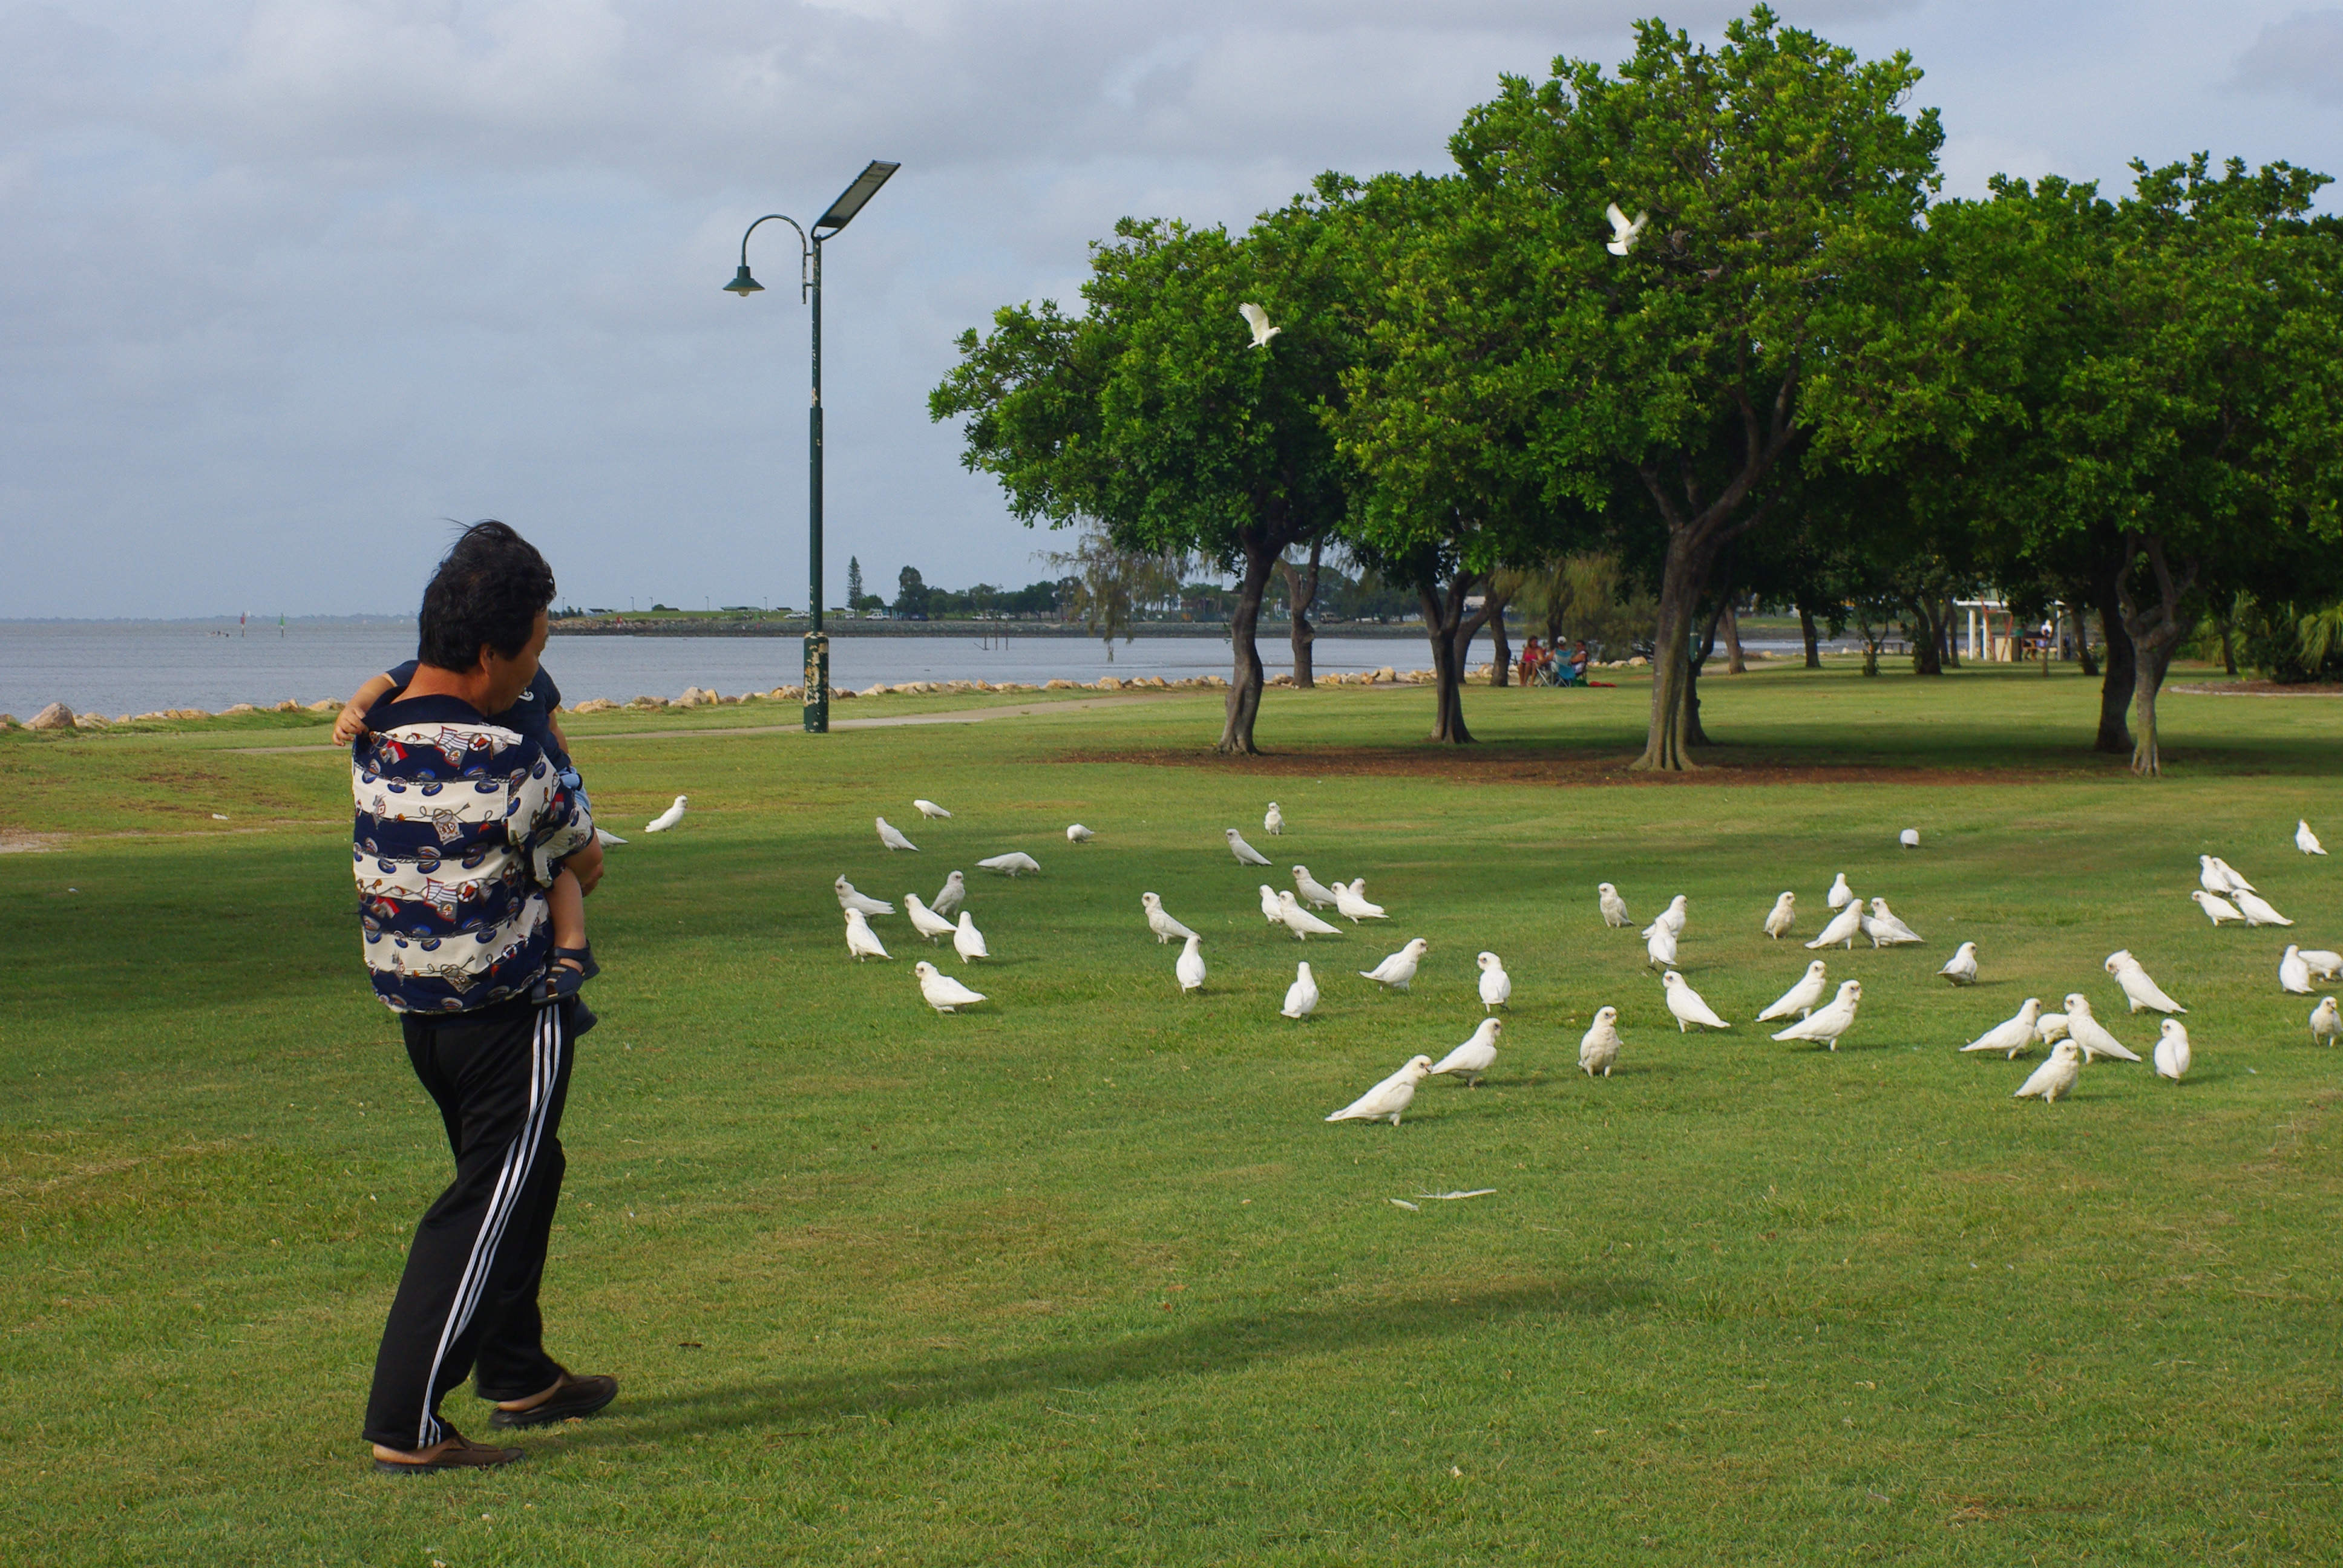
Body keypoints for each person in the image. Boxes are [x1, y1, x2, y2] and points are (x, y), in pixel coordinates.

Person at [353, 521, 615, 1474]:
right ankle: (407, 1423)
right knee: (485, 1198)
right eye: (535, 649)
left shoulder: (375, 744)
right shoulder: (514, 760)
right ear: (490, 654)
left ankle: (517, 1372)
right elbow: (586, 859)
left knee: (525, 1173)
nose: (536, 671)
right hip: (509, 1014)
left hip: (422, 1017)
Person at [336, 655, 597, 1016]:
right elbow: (382, 682)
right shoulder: (444, 664)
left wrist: (562, 772)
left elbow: (551, 725)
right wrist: (355, 708)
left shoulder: (533, 674)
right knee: (542, 866)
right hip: (518, 781)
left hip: (548, 779)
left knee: (557, 867)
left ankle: (572, 949)